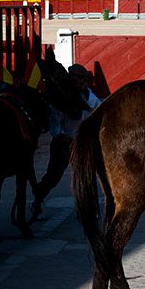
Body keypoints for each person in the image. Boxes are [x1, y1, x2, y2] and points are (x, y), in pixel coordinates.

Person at [31, 64, 101, 218]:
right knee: (53, 176)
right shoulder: (61, 101)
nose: (77, 82)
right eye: (74, 79)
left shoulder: (93, 100)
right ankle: (37, 200)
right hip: (63, 144)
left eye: (80, 79)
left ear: (84, 81)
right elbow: (55, 129)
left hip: (82, 144)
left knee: (85, 176)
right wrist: (66, 140)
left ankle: (87, 208)